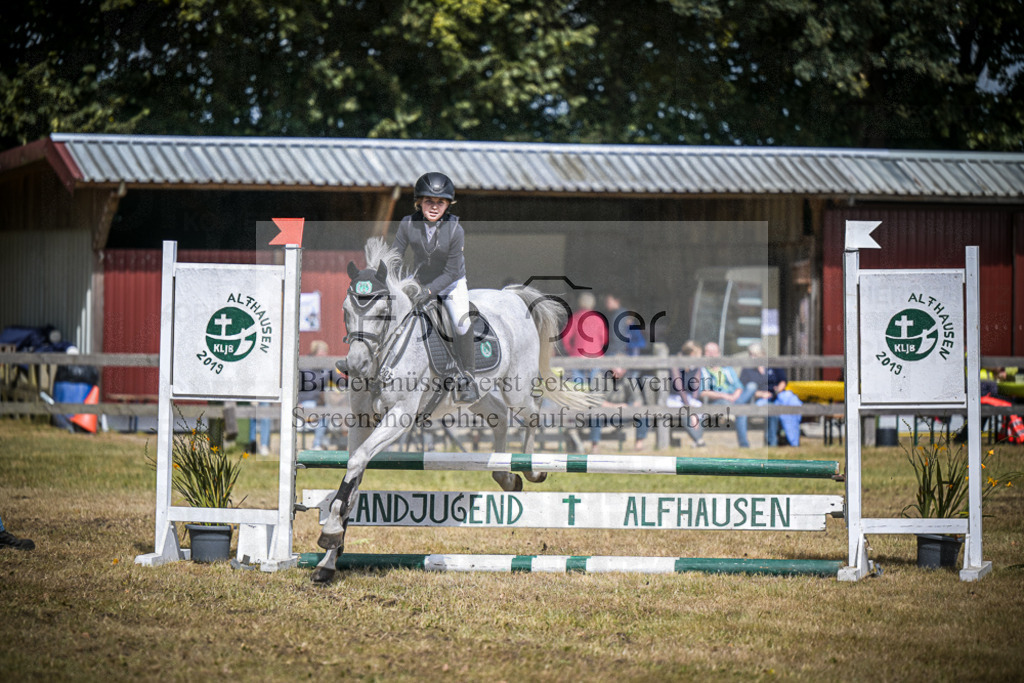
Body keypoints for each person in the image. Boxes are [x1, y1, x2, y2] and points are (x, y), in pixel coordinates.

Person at [337, 172, 478, 404]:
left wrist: (429, 292)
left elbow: (452, 272)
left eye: (440, 202)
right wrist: (377, 278)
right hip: (419, 280)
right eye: (429, 201)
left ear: (447, 205)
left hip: (451, 284)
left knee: (461, 320)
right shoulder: (408, 224)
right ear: (419, 202)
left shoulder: (455, 230)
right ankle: (369, 364)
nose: (434, 207)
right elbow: (395, 257)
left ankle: (467, 377)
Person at [698, 341, 756, 447]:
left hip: (734, 399)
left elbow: (738, 387)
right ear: (704, 354)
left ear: (719, 354)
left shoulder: (727, 369)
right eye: (708, 352)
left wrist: (734, 396)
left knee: (751, 386)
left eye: (714, 352)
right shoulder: (702, 370)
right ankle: (744, 444)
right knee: (738, 408)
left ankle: (744, 444)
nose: (711, 355)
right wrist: (724, 396)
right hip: (716, 401)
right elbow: (702, 392)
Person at [737, 343, 788, 447]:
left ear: (762, 354)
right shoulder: (747, 369)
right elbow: (744, 388)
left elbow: (783, 380)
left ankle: (772, 442)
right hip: (756, 400)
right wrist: (760, 394)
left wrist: (778, 390)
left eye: (755, 355)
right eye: (750, 354)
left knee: (774, 410)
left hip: (775, 396)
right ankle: (768, 442)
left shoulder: (772, 365)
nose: (752, 357)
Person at [668, 340, 707, 448]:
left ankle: (697, 440)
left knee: (700, 410)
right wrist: (688, 405)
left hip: (689, 398)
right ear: (692, 354)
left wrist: (693, 403)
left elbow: (696, 386)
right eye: (699, 353)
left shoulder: (697, 366)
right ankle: (699, 440)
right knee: (685, 412)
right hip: (675, 397)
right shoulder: (676, 364)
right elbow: (678, 386)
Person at [299, 340, 333, 450]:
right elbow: (295, 387)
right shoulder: (304, 367)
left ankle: (317, 444)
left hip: (319, 404)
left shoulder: (326, 369)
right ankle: (318, 444)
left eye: (325, 354)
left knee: (328, 410)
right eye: (321, 353)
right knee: (325, 410)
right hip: (304, 403)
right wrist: (297, 403)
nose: (323, 356)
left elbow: (340, 381)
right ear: (314, 353)